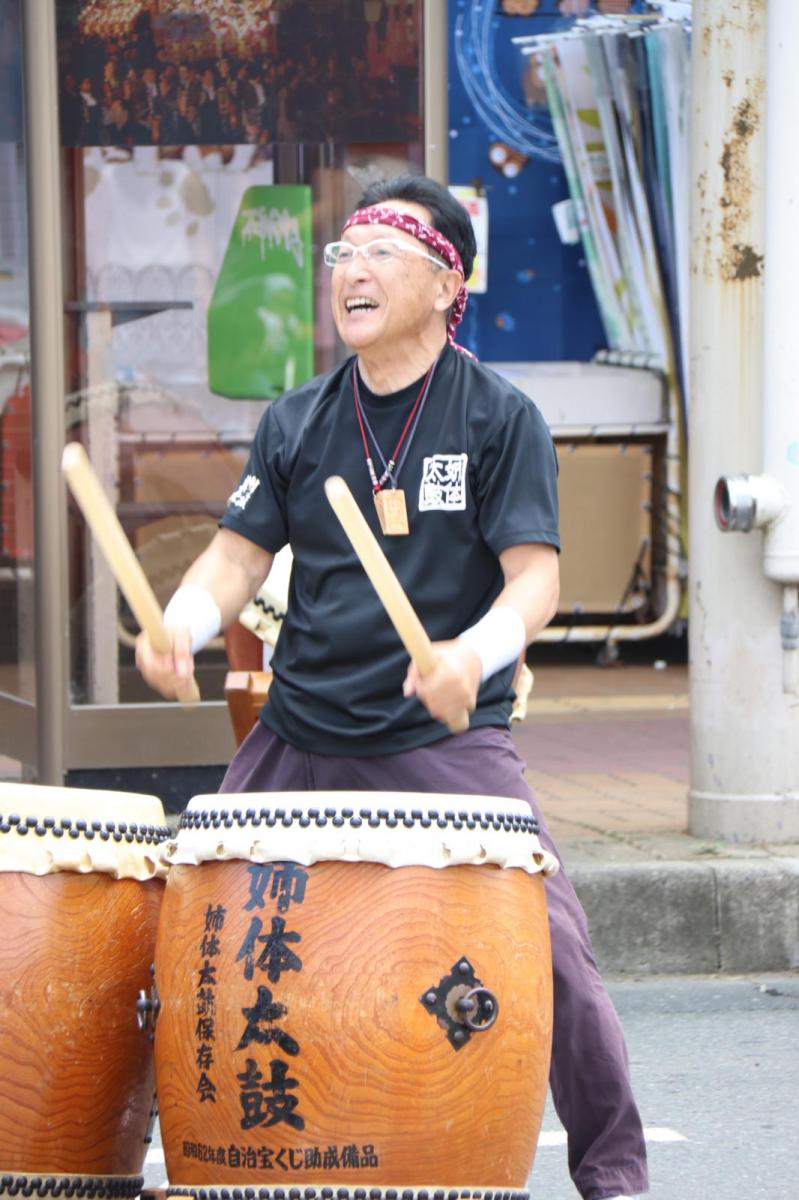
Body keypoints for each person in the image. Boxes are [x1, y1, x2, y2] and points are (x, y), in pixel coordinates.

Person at [136, 174, 648, 1200]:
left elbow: (534, 580)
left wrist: (470, 655)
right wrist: (178, 627)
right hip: (300, 729)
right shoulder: (299, 419)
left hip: (440, 734)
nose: (351, 272)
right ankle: (146, 1153)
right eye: (342, 255)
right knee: (186, 937)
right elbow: (236, 558)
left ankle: (614, 1177)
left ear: (446, 283)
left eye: (379, 253)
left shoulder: (497, 418)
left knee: (549, 946)